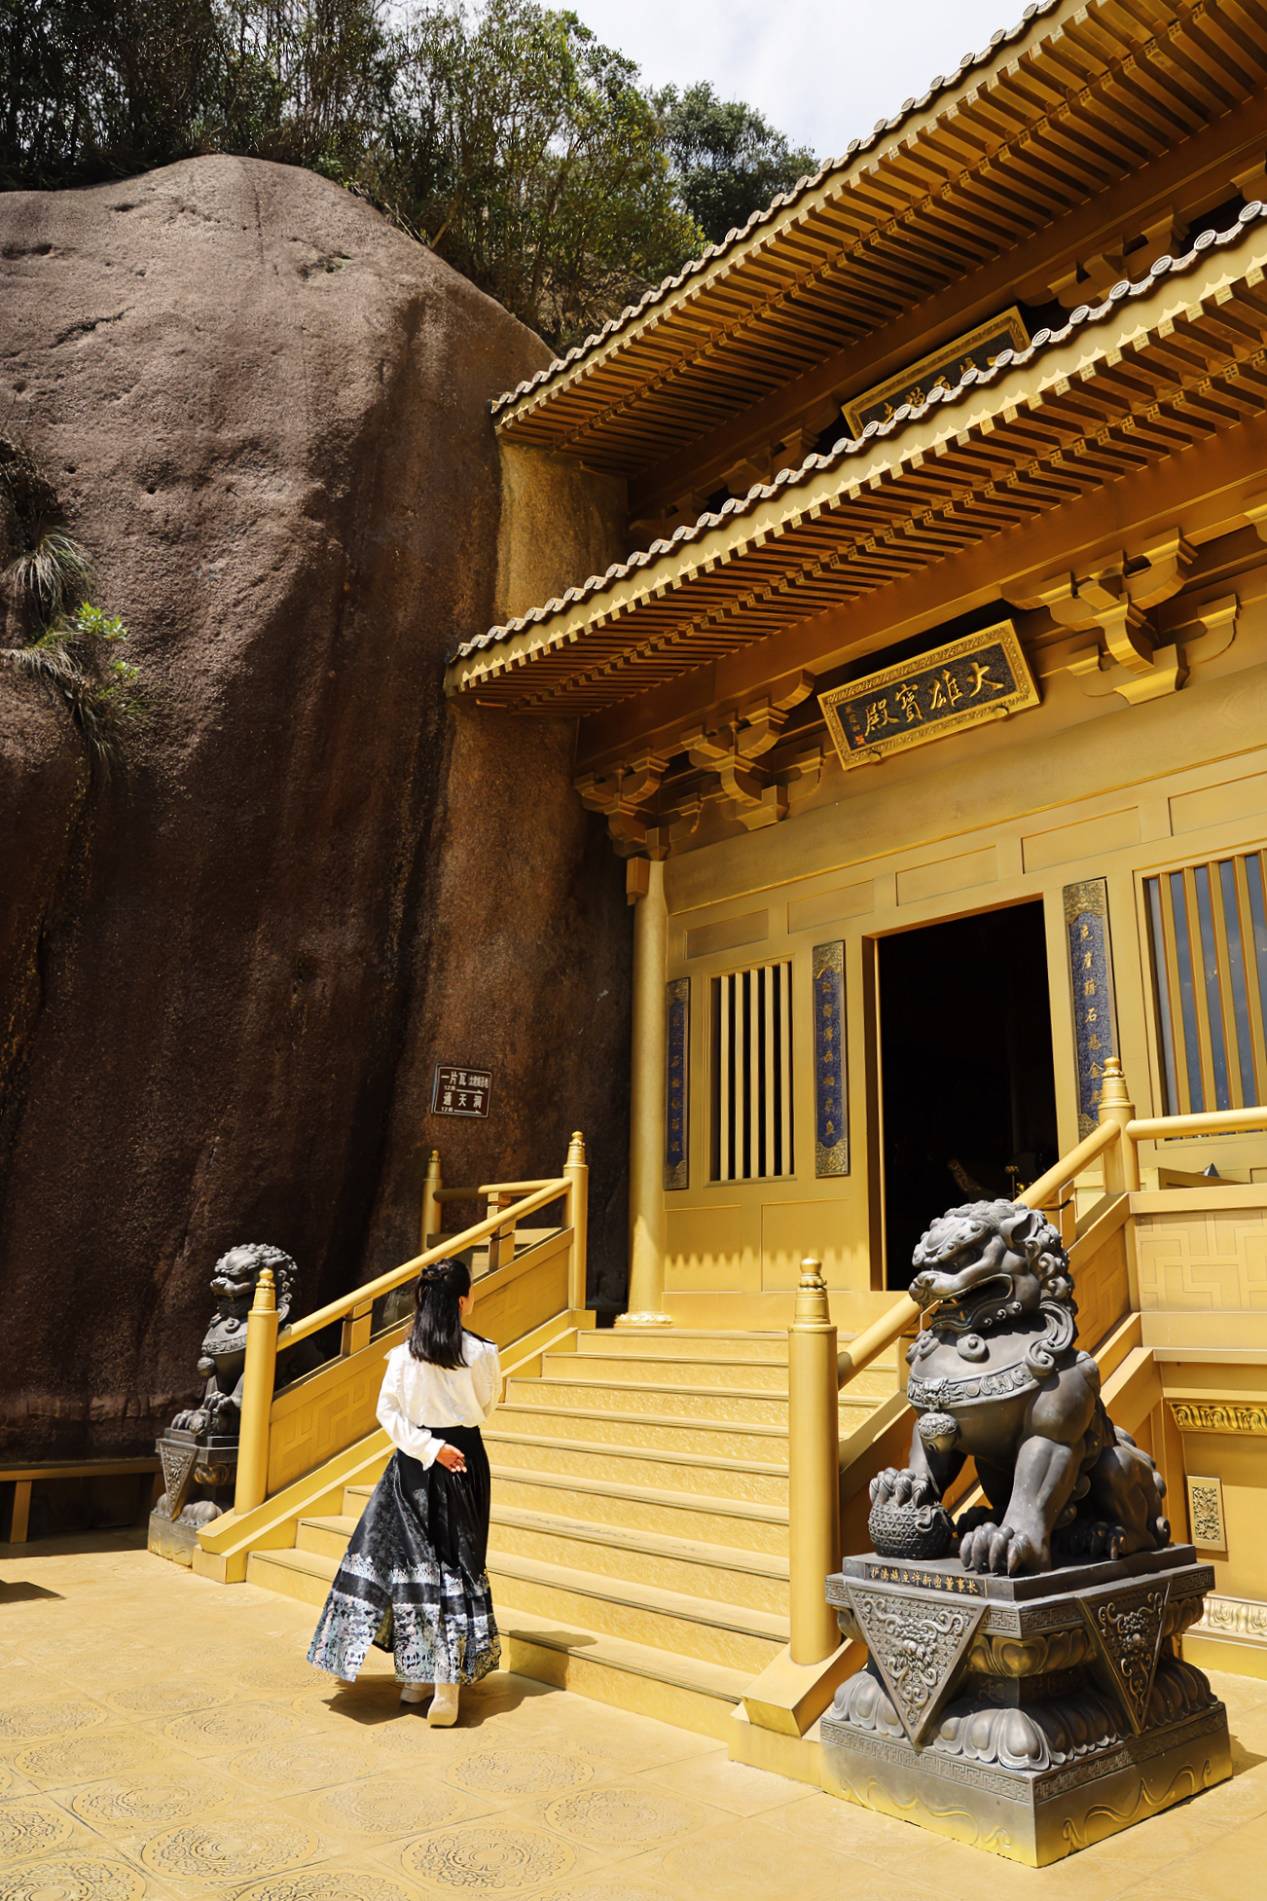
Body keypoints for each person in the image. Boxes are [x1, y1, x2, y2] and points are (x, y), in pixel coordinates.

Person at [307, 1256, 502, 1724]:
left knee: (412, 1564)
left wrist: (426, 1447)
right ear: (461, 1300)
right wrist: (444, 1447)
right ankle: (446, 1686)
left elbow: (388, 1414)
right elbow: (487, 1405)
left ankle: (416, 1680)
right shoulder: (480, 1352)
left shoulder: (402, 1355)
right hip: (462, 1461)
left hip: (411, 1467)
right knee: (457, 1562)